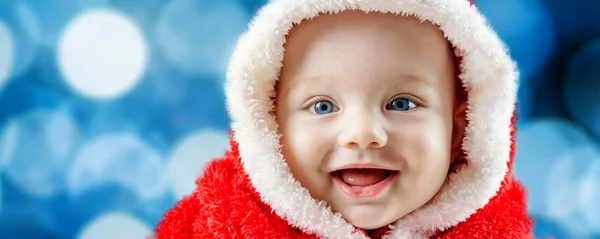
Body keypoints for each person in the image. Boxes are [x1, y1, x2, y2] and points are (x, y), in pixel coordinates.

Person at [154, 0, 533, 238]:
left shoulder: (502, 233)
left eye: (401, 103)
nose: (363, 134)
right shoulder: (213, 229)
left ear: (459, 132)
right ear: (271, 129)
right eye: (323, 106)